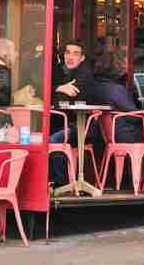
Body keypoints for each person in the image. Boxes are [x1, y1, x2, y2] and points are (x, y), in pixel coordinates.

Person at [49, 41, 94, 186]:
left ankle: (60, 181)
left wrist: (56, 90)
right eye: (68, 52)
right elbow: (41, 89)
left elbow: (66, 98)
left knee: (54, 140)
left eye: (76, 53)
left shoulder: (84, 74)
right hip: (62, 122)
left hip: (80, 127)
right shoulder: (60, 71)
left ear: (82, 58)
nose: (70, 56)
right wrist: (58, 88)